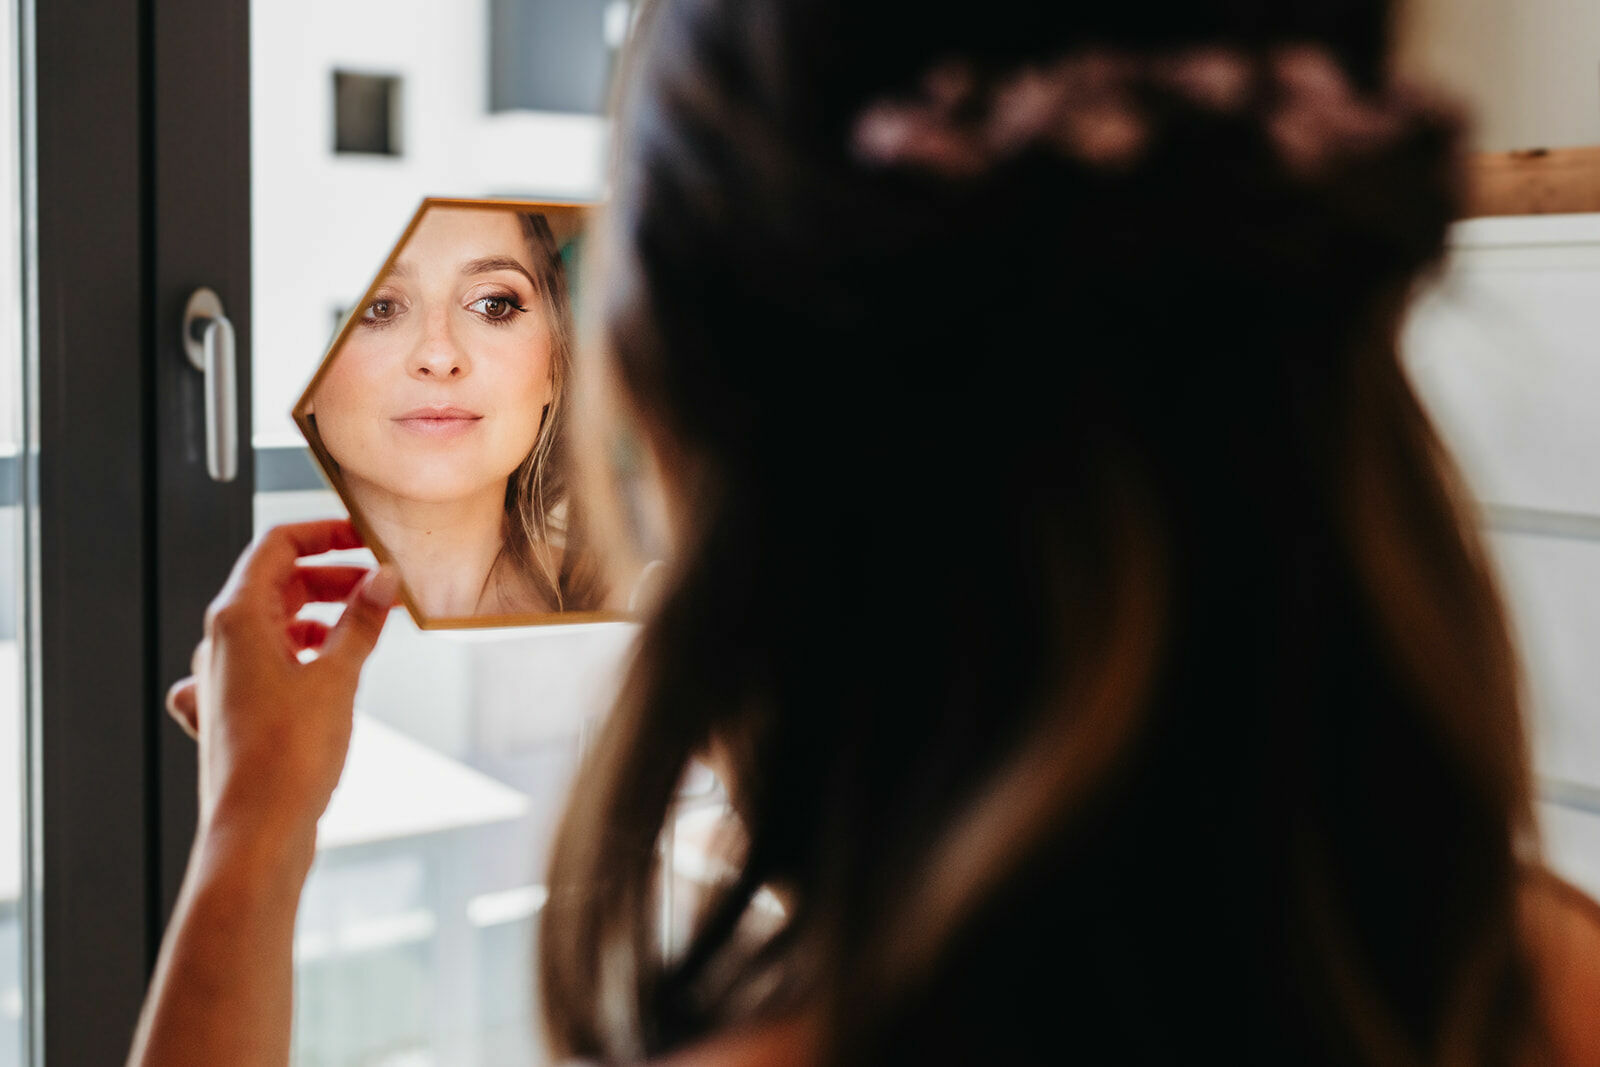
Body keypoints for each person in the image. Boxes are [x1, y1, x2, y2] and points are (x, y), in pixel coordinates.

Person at [132, 0, 1600, 1064]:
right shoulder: (1542, 971)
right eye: (388, 312)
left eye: (501, 304)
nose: (436, 360)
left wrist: (251, 836)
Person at [303, 203, 603, 619]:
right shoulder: (242, 629)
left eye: (493, 304)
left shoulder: (656, 610)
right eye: (378, 306)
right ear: (303, 369)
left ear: (553, 363)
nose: (440, 356)